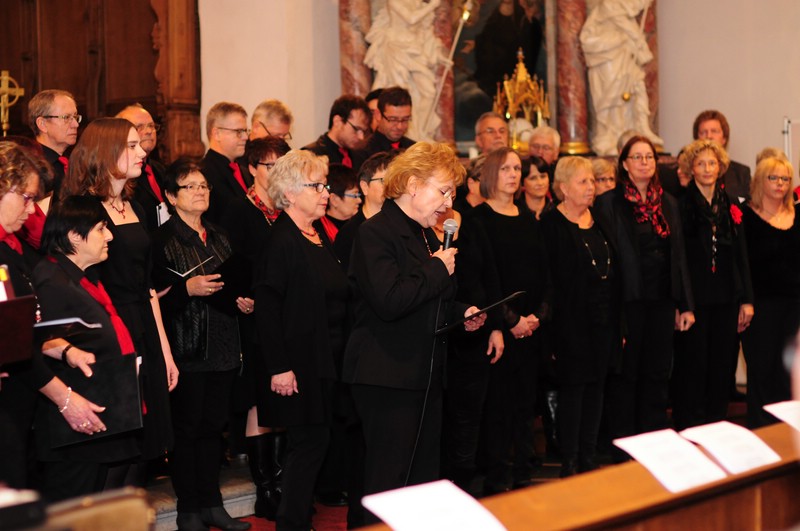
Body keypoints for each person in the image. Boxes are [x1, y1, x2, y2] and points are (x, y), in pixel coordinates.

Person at [343, 142, 485, 523]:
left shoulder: (426, 235)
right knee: (386, 483)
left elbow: (427, 299)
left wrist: (462, 312)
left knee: (423, 480)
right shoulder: (376, 233)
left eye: (452, 193)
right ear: (410, 184)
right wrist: (438, 268)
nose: (448, 201)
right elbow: (389, 301)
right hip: (386, 374)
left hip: (423, 374)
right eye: (442, 191)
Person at [60, 118, 178, 486]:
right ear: (106, 151)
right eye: (130, 145)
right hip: (108, 331)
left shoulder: (135, 207)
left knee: (144, 448)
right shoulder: (82, 210)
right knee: (116, 451)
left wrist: (165, 350)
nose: (142, 150)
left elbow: (148, 287)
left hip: (142, 323)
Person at [151, 159, 251, 531]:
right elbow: (151, 300)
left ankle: (213, 503)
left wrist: (245, 300)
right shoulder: (161, 241)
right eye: (190, 186)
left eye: (204, 185)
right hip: (186, 347)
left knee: (214, 430)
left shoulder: (221, 235)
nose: (200, 192)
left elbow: (234, 283)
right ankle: (188, 509)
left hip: (225, 344)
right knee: (187, 430)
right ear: (170, 196)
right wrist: (185, 289)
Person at [252, 150, 347, 531]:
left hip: (327, 357)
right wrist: (280, 368)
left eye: (324, 185)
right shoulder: (282, 241)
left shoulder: (317, 233)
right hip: (299, 363)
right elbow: (267, 310)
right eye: (316, 186)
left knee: (315, 445)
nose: (325, 193)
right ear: (289, 193)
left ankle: (295, 519)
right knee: (307, 446)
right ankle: (291, 523)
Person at [0, 142, 103, 490]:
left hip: (18, 399)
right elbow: (9, 342)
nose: (32, 210)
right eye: (27, 197)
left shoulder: (11, 248)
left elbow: (19, 330)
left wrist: (61, 348)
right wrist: (65, 398)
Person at [32, 195, 141, 501]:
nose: (109, 236)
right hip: (72, 424)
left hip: (96, 412)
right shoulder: (51, 278)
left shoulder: (80, 275)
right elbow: (39, 345)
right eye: (101, 228)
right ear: (75, 237)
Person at [594, 135, 694, 452]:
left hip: (662, 301)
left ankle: (654, 444)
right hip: (628, 302)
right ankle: (625, 446)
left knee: (656, 374)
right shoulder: (609, 203)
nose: (644, 163)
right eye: (637, 157)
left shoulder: (668, 203)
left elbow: (679, 257)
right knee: (627, 375)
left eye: (649, 157)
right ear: (624, 164)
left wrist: (685, 305)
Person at [219, 136, 291, 521]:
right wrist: (239, 294)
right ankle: (265, 487)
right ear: (252, 168)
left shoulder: (288, 208)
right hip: (251, 312)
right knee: (258, 397)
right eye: (269, 165)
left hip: (284, 312)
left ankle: (281, 481)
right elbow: (230, 260)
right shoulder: (238, 209)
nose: (276, 172)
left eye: (282, 164)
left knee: (282, 397)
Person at [541, 156, 620, 476]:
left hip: (603, 320)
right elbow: (548, 282)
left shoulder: (600, 219)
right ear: (563, 189)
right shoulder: (550, 226)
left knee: (597, 390)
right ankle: (570, 461)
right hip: (569, 324)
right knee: (574, 391)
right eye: (584, 182)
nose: (592, 188)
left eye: (594, 181)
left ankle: (589, 457)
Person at [670, 139, 753, 430]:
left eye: (712, 163)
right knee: (692, 369)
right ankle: (690, 431)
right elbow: (677, 260)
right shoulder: (679, 205)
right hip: (695, 302)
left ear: (721, 168)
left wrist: (746, 299)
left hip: (726, 299)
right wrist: (683, 304)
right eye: (701, 163)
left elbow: (740, 255)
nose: (707, 168)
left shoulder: (730, 204)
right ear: (691, 168)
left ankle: (717, 430)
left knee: (721, 369)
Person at [741, 156, 800, 428]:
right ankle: (761, 428)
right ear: (760, 181)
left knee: (786, 370)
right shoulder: (746, 218)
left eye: (785, 179)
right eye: (774, 178)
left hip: (794, 305)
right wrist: (745, 302)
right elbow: (741, 265)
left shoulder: (797, 215)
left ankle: (784, 428)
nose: (780, 184)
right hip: (760, 306)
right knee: (761, 368)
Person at [580, 0, 663, 156]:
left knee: (636, 86)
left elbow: (632, 14)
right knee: (612, 95)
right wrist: (640, 45)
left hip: (624, 53)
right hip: (607, 54)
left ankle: (641, 128)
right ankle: (608, 136)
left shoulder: (622, 8)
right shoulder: (609, 5)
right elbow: (627, 25)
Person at [364, 0, 447, 141]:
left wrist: (439, 56)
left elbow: (425, 32)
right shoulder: (393, 1)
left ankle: (420, 132)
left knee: (429, 92)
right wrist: (432, 5)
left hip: (414, 49)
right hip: (397, 48)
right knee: (400, 93)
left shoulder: (417, 2)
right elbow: (411, 18)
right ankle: (408, 133)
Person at [334, 151, 395, 270]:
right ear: (365, 187)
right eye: (384, 180)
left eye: (394, 180)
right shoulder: (350, 233)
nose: (391, 186)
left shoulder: (400, 225)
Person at [116, 104, 169, 232]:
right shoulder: (120, 174)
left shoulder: (160, 169)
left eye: (151, 126)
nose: (149, 131)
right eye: (139, 127)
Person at [201, 102, 250, 223]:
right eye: (238, 131)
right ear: (217, 134)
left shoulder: (243, 168)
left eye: (245, 131)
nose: (245, 137)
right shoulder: (205, 173)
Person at [27, 89, 80, 201]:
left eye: (75, 117)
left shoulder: (73, 162)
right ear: (42, 124)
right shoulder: (32, 168)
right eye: (66, 118)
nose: (75, 124)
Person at [692, 110, 751, 204]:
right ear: (696, 139)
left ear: (724, 138)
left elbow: (747, 204)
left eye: (714, 131)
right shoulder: (690, 172)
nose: (709, 136)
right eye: (703, 132)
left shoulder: (741, 173)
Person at [302, 95, 371, 169]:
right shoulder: (311, 156)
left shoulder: (360, 157)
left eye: (364, 131)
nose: (361, 137)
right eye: (356, 129)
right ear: (337, 121)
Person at [356, 87, 416, 164]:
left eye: (405, 119)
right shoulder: (363, 152)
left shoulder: (414, 149)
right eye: (393, 119)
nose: (399, 126)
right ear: (378, 115)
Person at [318, 163, 361, 243]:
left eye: (358, 195)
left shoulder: (361, 224)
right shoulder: (320, 230)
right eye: (354, 195)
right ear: (334, 200)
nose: (359, 200)